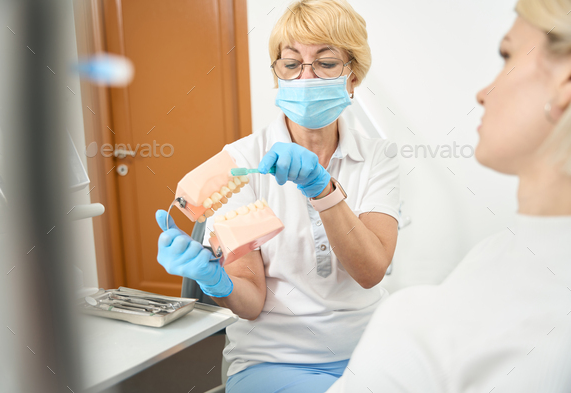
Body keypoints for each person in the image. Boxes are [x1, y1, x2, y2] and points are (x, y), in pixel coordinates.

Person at [155, 1, 400, 392]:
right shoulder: (242, 164)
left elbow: (370, 272)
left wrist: (322, 190)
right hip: (273, 360)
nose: (306, 76)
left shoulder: (377, 159)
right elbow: (251, 300)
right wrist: (215, 280)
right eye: (291, 64)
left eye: (326, 62)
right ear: (277, 76)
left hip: (371, 352)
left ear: (353, 76)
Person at [327, 0, 571, 392]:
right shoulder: (494, 254)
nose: (482, 92)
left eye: (507, 55)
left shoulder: (419, 325)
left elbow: (372, 269)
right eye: (291, 65)